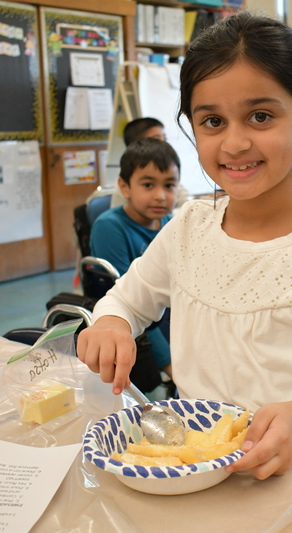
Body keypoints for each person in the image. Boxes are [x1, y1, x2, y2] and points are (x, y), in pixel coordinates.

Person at [77, 11, 292, 480]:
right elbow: (127, 300)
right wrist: (111, 322)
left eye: (260, 116)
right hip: (200, 467)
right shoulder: (189, 226)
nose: (234, 143)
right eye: (212, 121)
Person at [89, 137, 180, 377]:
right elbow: (135, 303)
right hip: (135, 327)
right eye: (148, 185)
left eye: (170, 185)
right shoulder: (109, 227)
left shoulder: (171, 225)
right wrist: (171, 366)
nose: (161, 196)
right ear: (125, 186)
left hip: (172, 315)